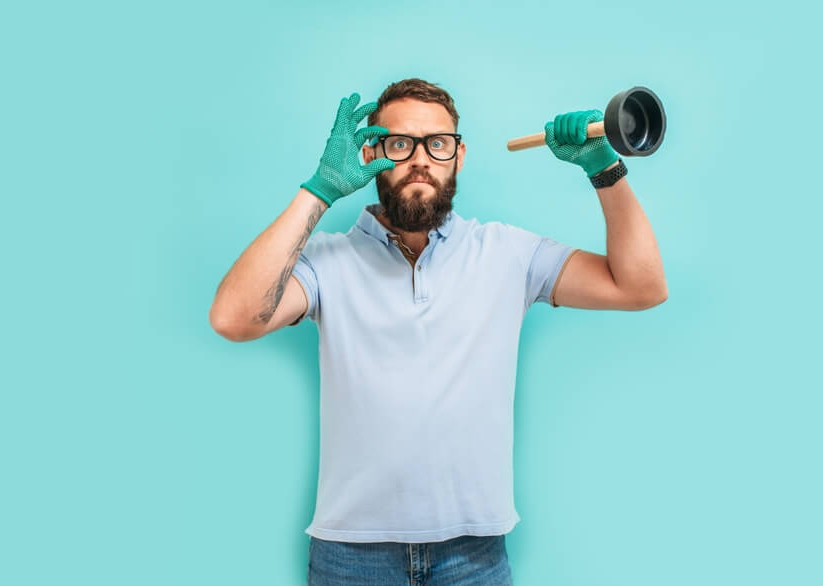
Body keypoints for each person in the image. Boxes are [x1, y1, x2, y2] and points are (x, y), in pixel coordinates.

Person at [209, 78, 668, 585]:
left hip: (473, 556)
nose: (420, 159)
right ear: (371, 152)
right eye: (400, 144)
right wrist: (319, 190)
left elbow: (641, 287)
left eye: (438, 143)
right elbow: (233, 318)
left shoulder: (507, 254)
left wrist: (604, 169)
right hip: (350, 557)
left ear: (459, 155)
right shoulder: (327, 262)